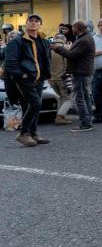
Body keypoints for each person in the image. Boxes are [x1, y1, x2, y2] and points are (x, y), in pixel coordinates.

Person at [6, 14, 52, 147]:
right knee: (36, 104)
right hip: (25, 79)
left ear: (40, 24)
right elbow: (10, 62)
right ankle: (23, 133)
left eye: (37, 21)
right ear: (26, 24)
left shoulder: (43, 40)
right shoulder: (17, 41)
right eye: (30, 21)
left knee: (31, 106)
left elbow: (45, 58)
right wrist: (22, 75)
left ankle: (33, 133)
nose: (33, 23)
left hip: (39, 78)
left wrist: (45, 74)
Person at [52, 20, 96, 133]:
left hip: (80, 72)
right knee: (85, 96)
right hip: (82, 72)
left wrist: (58, 48)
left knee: (79, 98)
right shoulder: (84, 38)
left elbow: (71, 55)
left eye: (73, 27)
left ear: (78, 28)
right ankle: (88, 120)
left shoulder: (84, 40)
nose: (72, 29)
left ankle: (85, 123)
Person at [49, 32, 74, 125]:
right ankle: (60, 116)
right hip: (63, 77)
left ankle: (60, 117)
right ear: (65, 40)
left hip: (51, 78)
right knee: (69, 98)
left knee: (60, 97)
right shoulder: (66, 48)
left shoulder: (49, 48)